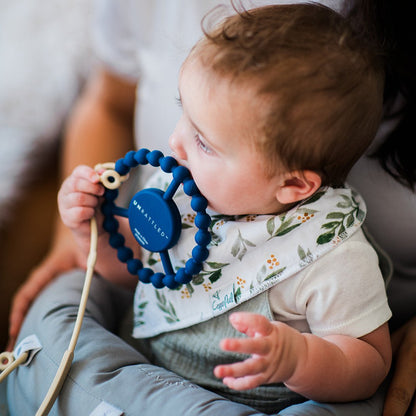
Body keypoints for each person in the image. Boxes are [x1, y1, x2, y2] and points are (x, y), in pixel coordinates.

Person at [6, 0, 415, 415]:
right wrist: (88, 224)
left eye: (204, 142)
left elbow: (371, 363)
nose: (176, 142)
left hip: (241, 402)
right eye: (184, 111)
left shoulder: (331, 253)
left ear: (293, 185)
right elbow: (130, 274)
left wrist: (300, 359)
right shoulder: (183, 191)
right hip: (144, 369)